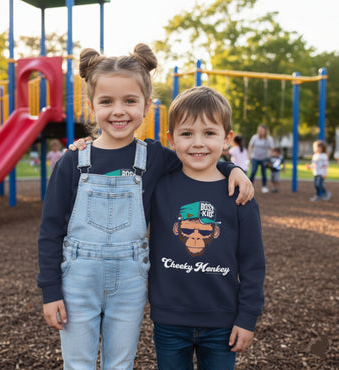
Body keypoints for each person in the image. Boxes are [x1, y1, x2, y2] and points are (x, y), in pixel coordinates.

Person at [37, 44, 254, 370]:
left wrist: (231, 168)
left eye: (130, 101)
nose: (118, 110)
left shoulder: (154, 157)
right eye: (106, 101)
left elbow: (195, 156)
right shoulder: (72, 161)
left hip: (130, 283)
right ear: (90, 105)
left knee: (121, 364)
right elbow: (50, 230)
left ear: (148, 105)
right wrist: (50, 290)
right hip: (77, 282)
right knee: (77, 363)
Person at [148, 86, 265, 370]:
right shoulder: (158, 185)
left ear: (227, 139)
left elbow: (252, 263)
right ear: (171, 140)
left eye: (209, 133)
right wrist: (84, 145)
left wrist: (247, 318)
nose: (197, 142)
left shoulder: (239, 195)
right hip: (169, 320)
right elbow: (118, 149)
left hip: (222, 322)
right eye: (187, 133)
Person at [248, 124, 274, 193]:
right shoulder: (255, 137)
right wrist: (249, 155)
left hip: (264, 158)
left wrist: (269, 158)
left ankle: (264, 187)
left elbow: (271, 149)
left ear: (266, 131)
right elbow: (250, 146)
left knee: (264, 173)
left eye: (262, 130)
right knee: (253, 172)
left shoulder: (269, 139)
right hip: (255, 158)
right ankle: (248, 186)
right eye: (260, 130)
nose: (261, 132)